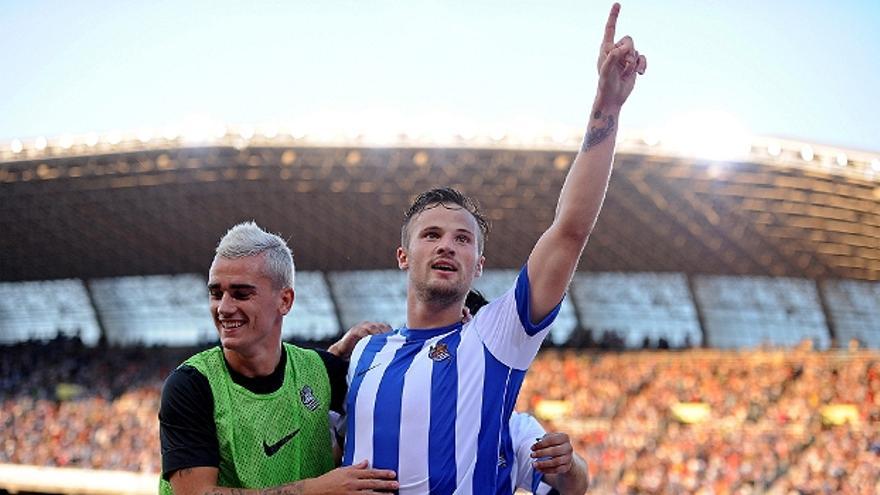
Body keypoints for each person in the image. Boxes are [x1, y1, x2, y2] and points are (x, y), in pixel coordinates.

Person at [343, 4, 645, 492]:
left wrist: (606, 108)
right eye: (432, 235)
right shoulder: (364, 356)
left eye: (463, 239)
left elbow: (568, 231)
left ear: (478, 265)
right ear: (403, 256)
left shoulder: (493, 339)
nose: (448, 247)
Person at [158, 222, 399, 495]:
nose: (223, 308)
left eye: (241, 293)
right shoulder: (191, 386)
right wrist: (314, 490)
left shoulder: (321, 371)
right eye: (216, 293)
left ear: (285, 301)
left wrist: (455, 327)